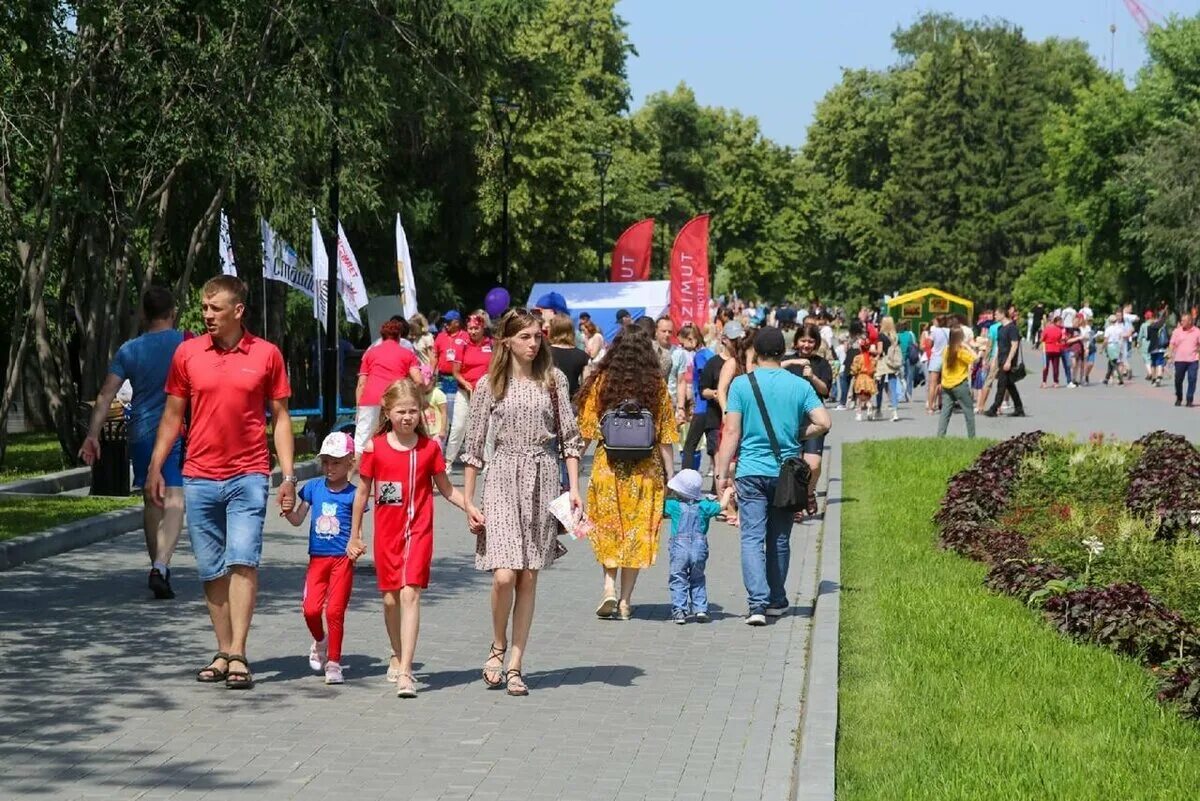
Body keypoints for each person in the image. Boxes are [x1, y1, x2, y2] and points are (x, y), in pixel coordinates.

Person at [148, 275, 295, 690]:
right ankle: (223, 648)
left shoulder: (266, 354)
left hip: (248, 475)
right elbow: (174, 416)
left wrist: (287, 476)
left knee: (242, 560)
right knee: (211, 568)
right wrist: (156, 467)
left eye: (215, 309)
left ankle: (239, 653)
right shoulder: (187, 353)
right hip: (198, 476)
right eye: (204, 307)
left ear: (238, 311)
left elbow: (281, 417)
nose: (206, 315)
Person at [462, 309, 582, 697]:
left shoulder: (554, 380)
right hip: (501, 475)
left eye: (537, 337)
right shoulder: (489, 384)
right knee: (504, 574)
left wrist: (574, 488)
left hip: (543, 475)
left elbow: (569, 438)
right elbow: (474, 444)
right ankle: (497, 644)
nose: (533, 344)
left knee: (529, 574)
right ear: (507, 341)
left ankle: (516, 663)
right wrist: (467, 499)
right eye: (525, 337)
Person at [348, 379, 471, 698]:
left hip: (419, 533)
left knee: (410, 594)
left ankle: (406, 671)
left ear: (422, 413)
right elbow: (362, 493)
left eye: (414, 411)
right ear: (387, 412)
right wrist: (356, 534)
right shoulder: (375, 447)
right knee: (390, 599)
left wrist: (471, 508)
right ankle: (397, 652)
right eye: (401, 411)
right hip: (387, 535)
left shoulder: (429, 449)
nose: (407, 417)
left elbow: (446, 489)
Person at [714, 327, 832, 625]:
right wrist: (796, 433)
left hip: (751, 470)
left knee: (752, 538)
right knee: (779, 538)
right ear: (783, 352)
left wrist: (721, 474)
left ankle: (756, 604)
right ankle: (777, 600)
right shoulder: (798, 385)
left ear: (756, 352)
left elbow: (731, 431)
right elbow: (824, 422)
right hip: (785, 473)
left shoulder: (742, 385)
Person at [80, 286, 186, 599]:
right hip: (176, 429)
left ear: (144, 315)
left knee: (152, 498)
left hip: (139, 431)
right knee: (175, 498)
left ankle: (158, 566)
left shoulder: (129, 349)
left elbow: (106, 395)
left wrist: (92, 435)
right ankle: (161, 565)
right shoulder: (185, 344)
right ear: (172, 313)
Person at [576, 327, 678, 621]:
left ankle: (608, 587)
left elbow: (587, 430)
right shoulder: (655, 385)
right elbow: (666, 435)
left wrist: (571, 467)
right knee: (637, 534)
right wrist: (671, 476)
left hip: (608, 468)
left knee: (608, 529)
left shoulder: (602, 382)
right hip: (646, 471)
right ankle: (625, 601)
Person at [283, 432, 358, 685]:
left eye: (336, 462)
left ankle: (334, 662)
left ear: (351, 462)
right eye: (326, 462)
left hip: (342, 560)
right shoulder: (313, 488)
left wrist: (356, 544)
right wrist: (287, 509)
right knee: (311, 609)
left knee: (335, 610)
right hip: (317, 559)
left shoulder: (354, 494)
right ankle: (320, 641)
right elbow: (297, 520)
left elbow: (357, 529)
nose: (329, 468)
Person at [664, 468, 733, 624]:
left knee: (678, 577)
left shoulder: (672, 505)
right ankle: (700, 609)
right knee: (698, 578)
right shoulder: (704, 505)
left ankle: (680, 611)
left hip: (679, 548)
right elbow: (721, 506)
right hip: (699, 547)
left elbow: (657, 506)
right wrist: (728, 492)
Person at [783, 323, 832, 516]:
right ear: (796, 342)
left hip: (813, 420)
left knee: (813, 464)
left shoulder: (821, 364)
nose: (806, 345)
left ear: (817, 343)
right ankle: (796, 503)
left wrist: (812, 377)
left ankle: (809, 493)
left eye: (811, 341)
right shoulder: (787, 361)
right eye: (803, 340)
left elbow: (825, 390)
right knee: (792, 463)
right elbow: (768, 372)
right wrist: (789, 363)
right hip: (789, 419)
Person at [356, 318, 424, 454]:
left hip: (370, 398)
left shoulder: (370, 353)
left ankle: (351, 474)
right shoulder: (407, 354)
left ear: (382, 336)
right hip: (394, 399)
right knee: (392, 437)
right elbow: (419, 380)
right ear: (399, 336)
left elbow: (361, 384)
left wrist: (359, 407)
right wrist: (414, 397)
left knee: (361, 440)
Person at [444, 313, 493, 468]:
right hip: (465, 392)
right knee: (458, 427)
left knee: (489, 427)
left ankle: (488, 462)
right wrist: (465, 383)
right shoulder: (462, 345)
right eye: (470, 328)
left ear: (483, 327)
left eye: (476, 328)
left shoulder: (490, 344)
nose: (473, 332)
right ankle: (448, 461)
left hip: (486, 393)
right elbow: (455, 372)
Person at [679, 325, 715, 471]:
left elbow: (703, 378)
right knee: (714, 448)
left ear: (691, 339)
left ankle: (685, 483)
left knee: (689, 446)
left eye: (683, 344)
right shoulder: (710, 353)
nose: (682, 347)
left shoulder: (700, 356)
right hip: (713, 408)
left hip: (701, 407)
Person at [983, 305, 1026, 418]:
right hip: (1001, 359)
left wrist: (1009, 361)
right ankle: (1019, 408)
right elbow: (999, 346)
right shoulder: (999, 329)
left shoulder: (1012, 328)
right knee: (1010, 385)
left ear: (1002, 314)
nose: (994, 316)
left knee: (1001, 384)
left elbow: (1014, 344)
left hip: (1008, 360)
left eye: (996, 314)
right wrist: (995, 359)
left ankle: (994, 408)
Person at [434, 310, 469, 448]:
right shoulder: (441, 336)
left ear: (457, 323)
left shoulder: (466, 337)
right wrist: (431, 373)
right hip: (443, 379)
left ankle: (458, 444)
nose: (446, 324)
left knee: (457, 415)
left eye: (449, 321)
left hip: (458, 380)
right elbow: (435, 356)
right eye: (445, 321)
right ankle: (442, 446)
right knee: (443, 413)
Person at [937, 328, 978, 438]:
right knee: (968, 411)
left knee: (945, 412)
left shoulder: (946, 350)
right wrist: (968, 346)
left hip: (946, 384)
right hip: (959, 384)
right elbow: (976, 359)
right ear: (961, 338)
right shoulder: (961, 352)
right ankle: (972, 437)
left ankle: (940, 436)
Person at [548, 313, 590, 400]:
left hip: (549, 400)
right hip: (572, 401)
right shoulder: (582, 355)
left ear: (553, 330)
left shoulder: (545, 353)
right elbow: (586, 384)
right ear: (571, 331)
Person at [872, 316, 902, 422]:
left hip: (883, 362)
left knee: (879, 387)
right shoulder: (895, 336)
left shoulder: (881, 336)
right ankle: (894, 412)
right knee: (892, 387)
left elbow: (879, 351)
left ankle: (878, 410)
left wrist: (872, 350)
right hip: (892, 363)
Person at [1167, 313, 1200, 407]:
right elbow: (1172, 344)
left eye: (1184, 321)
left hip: (1193, 360)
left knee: (1192, 379)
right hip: (1180, 359)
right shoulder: (1177, 331)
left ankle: (1189, 399)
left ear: (1190, 321)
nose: (1182, 322)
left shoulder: (1197, 331)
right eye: (1181, 320)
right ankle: (1179, 397)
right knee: (1178, 380)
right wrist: (1169, 355)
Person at [926, 316, 949, 414]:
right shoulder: (949, 331)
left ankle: (931, 407)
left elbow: (929, 344)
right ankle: (942, 404)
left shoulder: (934, 332)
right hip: (946, 358)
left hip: (936, 358)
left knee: (932, 384)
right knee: (943, 383)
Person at [1040, 314, 1067, 388]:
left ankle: (1044, 382)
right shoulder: (1059, 330)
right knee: (1055, 366)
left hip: (1047, 349)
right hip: (1056, 349)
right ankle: (1056, 382)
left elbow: (1042, 339)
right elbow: (1061, 339)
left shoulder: (1047, 329)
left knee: (1046, 366)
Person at [1145, 310, 1169, 387]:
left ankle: (1153, 379)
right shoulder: (1163, 325)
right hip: (1161, 347)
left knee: (1153, 363)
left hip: (1152, 348)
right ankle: (1159, 377)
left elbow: (1148, 338)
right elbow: (1167, 337)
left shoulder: (1150, 327)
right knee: (1160, 362)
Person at [1102, 314, 1126, 386]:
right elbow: (1121, 338)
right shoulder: (1119, 328)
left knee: (1113, 363)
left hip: (1111, 345)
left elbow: (1106, 340)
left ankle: (1120, 379)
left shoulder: (1108, 329)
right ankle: (1106, 378)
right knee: (1112, 362)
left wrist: (1102, 348)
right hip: (1117, 345)